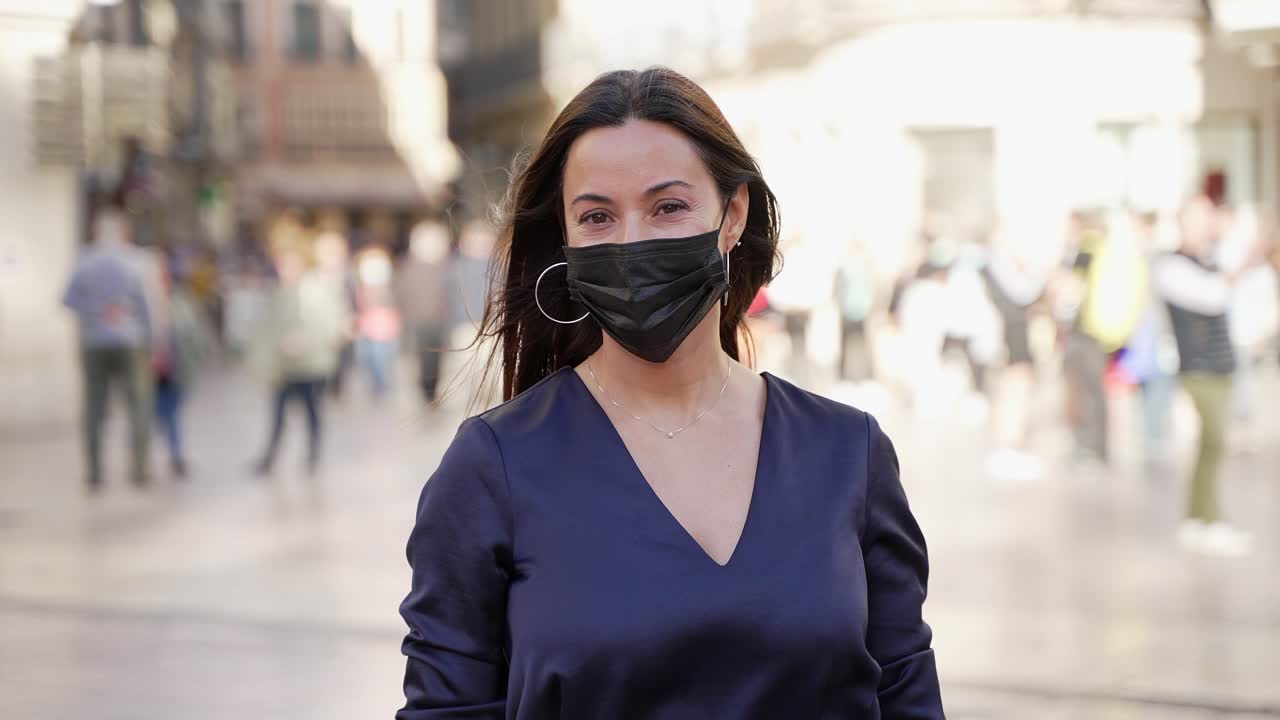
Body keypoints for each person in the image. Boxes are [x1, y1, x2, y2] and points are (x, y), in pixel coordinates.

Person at [396, 67, 942, 718]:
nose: (632, 242)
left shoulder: (849, 453)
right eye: (597, 216)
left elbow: (907, 698)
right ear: (566, 241)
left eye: (668, 207)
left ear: (732, 214)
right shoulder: (494, 467)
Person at [1156, 196, 1257, 556]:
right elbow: (1212, 297)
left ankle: (1199, 517)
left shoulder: (1212, 258)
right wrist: (1234, 273)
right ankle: (1208, 520)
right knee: (1214, 439)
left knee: (1211, 446)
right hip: (1198, 367)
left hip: (1221, 364)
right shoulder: (1172, 266)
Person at [62, 205, 157, 491]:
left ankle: (94, 472)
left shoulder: (85, 260)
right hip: (130, 341)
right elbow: (146, 307)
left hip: (94, 342)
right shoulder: (136, 261)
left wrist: (95, 311)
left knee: (93, 407)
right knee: (138, 406)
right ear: (123, 233)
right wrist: (153, 342)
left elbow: (67, 300)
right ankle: (139, 470)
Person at [250, 244, 348, 476]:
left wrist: (307, 342)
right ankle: (270, 456)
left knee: (313, 412)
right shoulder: (277, 294)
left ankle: (313, 455)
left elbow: (331, 325)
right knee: (278, 414)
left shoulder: (316, 291)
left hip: (311, 365)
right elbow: (266, 329)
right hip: (284, 368)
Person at [152, 254, 216, 478]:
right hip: (150, 370)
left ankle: (175, 454)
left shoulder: (183, 302)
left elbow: (197, 335)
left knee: (170, 413)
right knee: (161, 414)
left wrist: (201, 358)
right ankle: (168, 454)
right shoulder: (142, 301)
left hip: (175, 369)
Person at [394, 221, 451, 407]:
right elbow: (399, 295)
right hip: (416, 323)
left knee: (438, 363)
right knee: (420, 363)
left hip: (441, 323)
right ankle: (425, 395)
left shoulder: (448, 267)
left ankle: (433, 394)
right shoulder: (407, 267)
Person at [353, 245, 402, 401]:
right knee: (367, 358)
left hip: (385, 328)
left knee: (381, 358)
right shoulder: (359, 286)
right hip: (367, 327)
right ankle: (377, 385)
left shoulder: (391, 286)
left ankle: (381, 386)